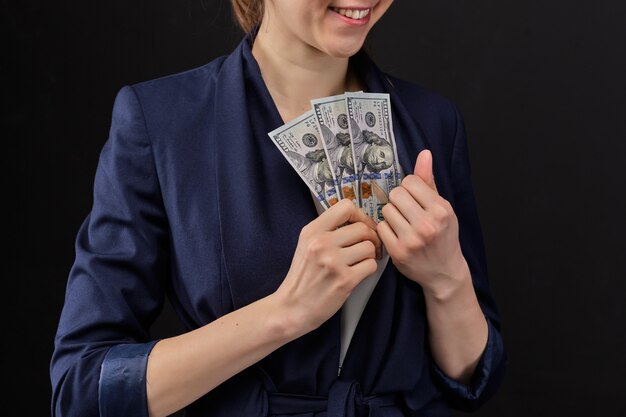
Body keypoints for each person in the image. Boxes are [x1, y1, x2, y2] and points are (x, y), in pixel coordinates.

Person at [50, 1, 507, 416]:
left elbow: (473, 381)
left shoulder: (433, 122)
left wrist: (447, 276)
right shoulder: (162, 122)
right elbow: (83, 388)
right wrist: (284, 313)